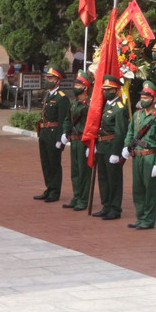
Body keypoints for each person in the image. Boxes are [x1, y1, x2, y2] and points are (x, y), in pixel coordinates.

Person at [123, 81, 156, 230]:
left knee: (150, 190)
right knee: (138, 189)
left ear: (154, 99)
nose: (143, 99)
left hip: (150, 156)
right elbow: (130, 132)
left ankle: (148, 220)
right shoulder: (137, 115)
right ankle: (140, 217)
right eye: (142, 97)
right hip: (137, 156)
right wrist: (126, 145)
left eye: (146, 97)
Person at [92, 75, 129, 221]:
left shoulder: (120, 108)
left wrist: (116, 152)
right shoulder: (105, 105)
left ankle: (115, 208)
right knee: (103, 178)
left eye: (109, 89)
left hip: (112, 146)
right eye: (105, 89)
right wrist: (96, 145)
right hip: (102, 145)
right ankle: (106, 205)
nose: (106, 92)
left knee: (114, 179)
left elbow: (120, 132)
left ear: (116, 90)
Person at [35, 66, 70, 203]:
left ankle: (55, 191)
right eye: (47, 77)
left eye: (50, 78)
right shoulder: (48, 95)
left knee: (54, 163)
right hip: (44, 132)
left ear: (57, 81)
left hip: (54, 133)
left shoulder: (61, 98)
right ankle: (49, 188)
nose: (47, 80)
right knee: (45, 163)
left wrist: (60, 138)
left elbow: (63, 120)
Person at [62, 70, 93, 211]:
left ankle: (83, 199)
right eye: (75, 84)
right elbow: (67, 119)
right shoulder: (74, 104)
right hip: (74, 140)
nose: (75, 87)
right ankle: (76, 196)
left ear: (85, 87)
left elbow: (92, 125)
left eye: (78, 85)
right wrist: (65, 132)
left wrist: (91, 144)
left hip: (83, 141)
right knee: (75, 171)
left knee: (83, 172)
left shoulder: (90, 105)